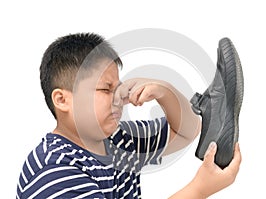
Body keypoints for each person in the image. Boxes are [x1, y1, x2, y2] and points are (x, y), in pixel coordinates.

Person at [16, 33, 241, 199]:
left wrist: (164, 91)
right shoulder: (53, 170)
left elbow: (187, 131)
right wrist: (200, 189)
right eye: (105, 90)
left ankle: (210, 106)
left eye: (119, 88)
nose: (118, 99)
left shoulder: (116, 140)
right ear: (62, 100)